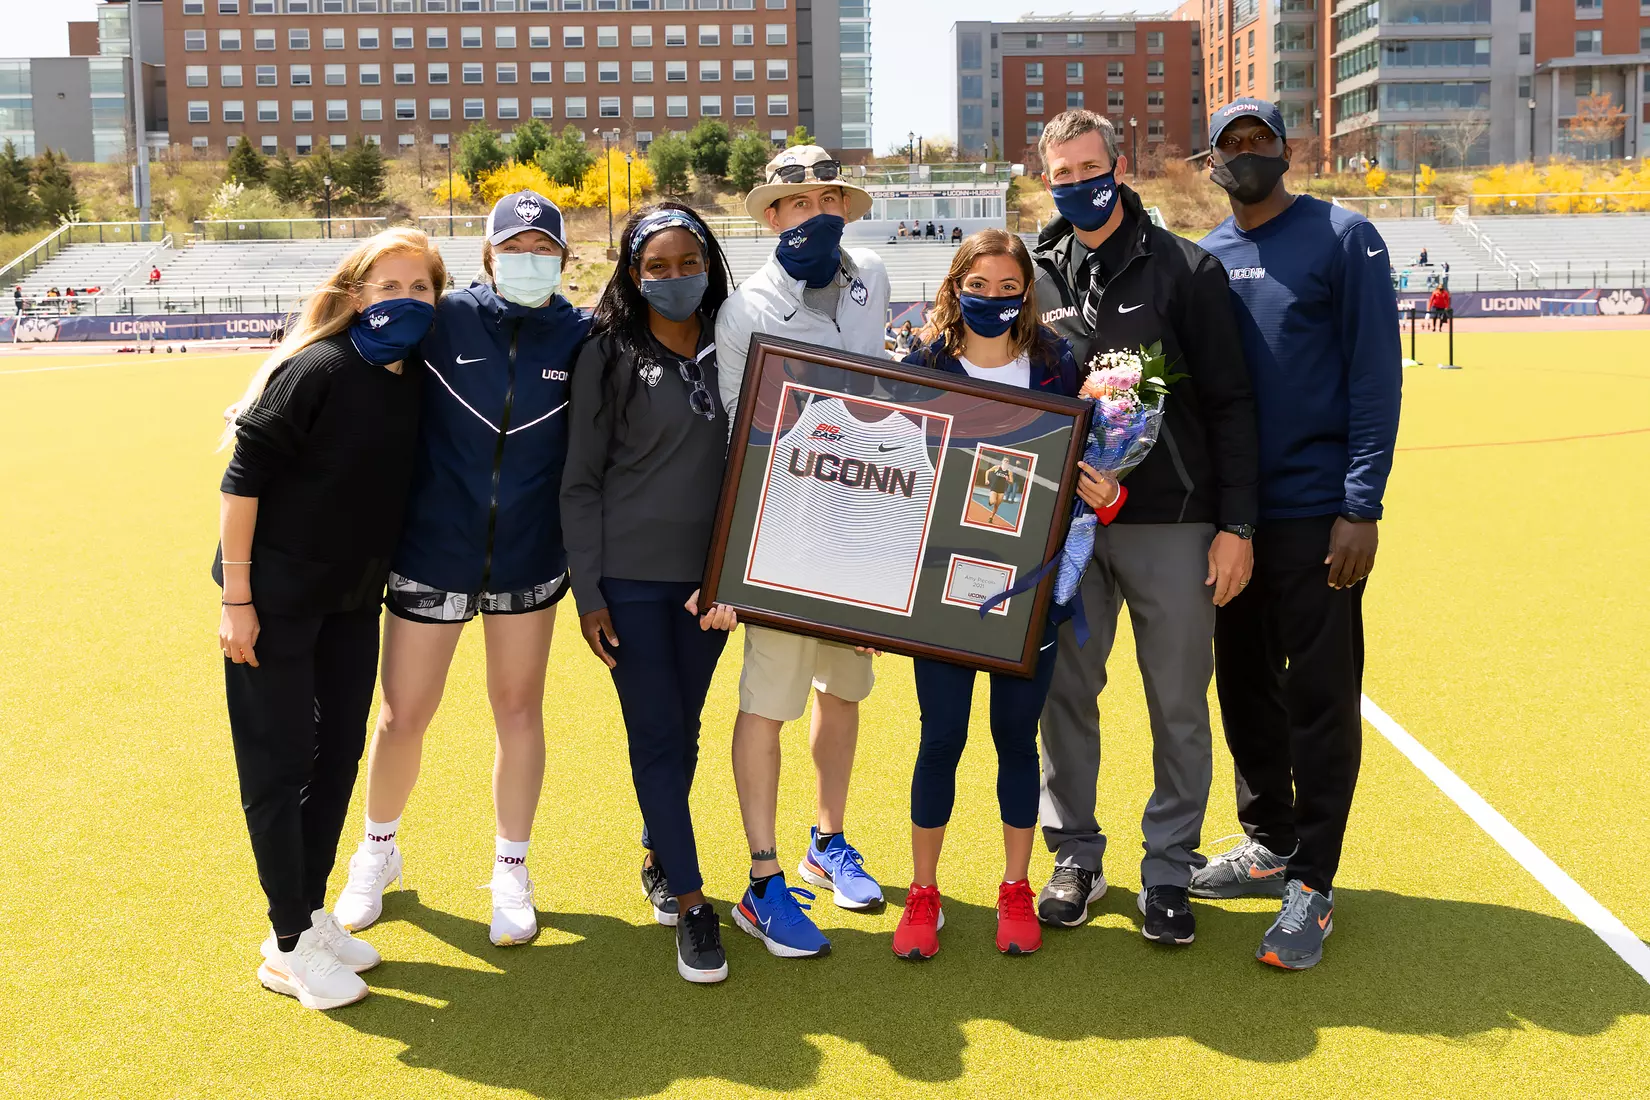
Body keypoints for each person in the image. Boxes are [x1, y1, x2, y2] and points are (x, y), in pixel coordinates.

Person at [332, 191, 591, 948]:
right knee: (402, 714)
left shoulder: (583, 336)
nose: (528, 260)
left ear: (564, 259)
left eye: (544, 248)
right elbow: (341, 353)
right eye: (513, 247)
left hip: (529, 558)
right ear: (487, 257)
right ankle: (376, 854)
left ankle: (511, 869)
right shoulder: (442, 320)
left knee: (518, 712)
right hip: (432, 552)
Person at [1026, 109, 1259, 945]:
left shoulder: (1186, 268)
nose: (1078, 185)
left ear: (1116, 167)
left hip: (1173, 523)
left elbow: (1232, 404)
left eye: (1090, 168)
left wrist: (1237, 524)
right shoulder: (1032, 271)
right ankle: (1076, 857)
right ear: (1045, 178)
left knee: (1177, 704)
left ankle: (1168, 870)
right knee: (1064, 693)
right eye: (1061, 175)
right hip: (1063, 529)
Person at [1196, 97, 1402, 971]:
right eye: (1230, 145)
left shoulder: (1344, 237)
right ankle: (1270, 839)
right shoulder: (1206, 255)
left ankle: (1313, 882)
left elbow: (1373, 378)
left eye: (1259, 141)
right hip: (1230, 521)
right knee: (1243, 686)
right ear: (1211, 163)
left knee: (1318, 698)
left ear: (1286, 150)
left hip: (1320, 516)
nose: (1246, 155)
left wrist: (1361, 506)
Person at [216, 227, 446, 1010]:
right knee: (277, 769)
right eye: (391, 287)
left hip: (350, 601)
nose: (407, 301)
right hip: (273, 601)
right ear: (357, 296)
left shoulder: (413, 377)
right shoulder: (315, 367)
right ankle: (285, 946)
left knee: (338, 755)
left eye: (422, 289)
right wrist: (236, 602)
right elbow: (240, 482)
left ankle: (307, 917)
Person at [892, 229, 1123, 960]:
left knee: (1015, 742)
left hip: (1031, 593)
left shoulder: (1058, 367)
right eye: (978, 285)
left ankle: (1015, 887)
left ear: (1028, 291)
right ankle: (924, 893)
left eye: (1006, 287)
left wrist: (1109, 492)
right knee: (942, 740)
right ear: (954, 285)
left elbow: (1091, 479)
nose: (993, 300)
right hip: (943, 594)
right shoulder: (922, 366)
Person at [714, 144, 891, 959]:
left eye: (827, 200)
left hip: (859, 530)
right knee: (768, 702)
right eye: (794, 203)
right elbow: (741, 437)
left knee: (844, 686)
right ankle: (763, 875)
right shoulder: (745, 306)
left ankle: (829, 840)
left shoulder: (873, 278)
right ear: (771, 216)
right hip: (783, 533)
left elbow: (887, 403)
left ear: (843, 209)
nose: (812, 213)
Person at [561, 204, 741, 984]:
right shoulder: (607, 353)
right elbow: (581, 480)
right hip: (629, 581)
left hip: (708, 587)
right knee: (658, 734)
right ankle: (695, 903)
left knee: (687, 724)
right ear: (634, 276)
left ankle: (657, 851)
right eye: (656, 267)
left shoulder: (738, 347)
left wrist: (732, 572)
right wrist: (589, 592)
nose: (675, 279)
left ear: (709, 264)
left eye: (687, 263)